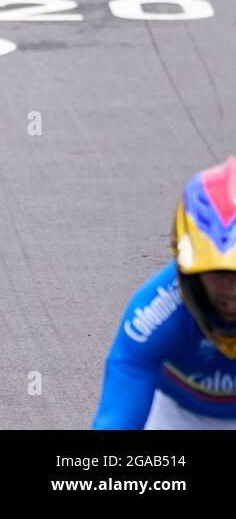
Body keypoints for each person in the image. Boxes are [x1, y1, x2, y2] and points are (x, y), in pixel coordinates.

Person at [92, 157, 236, 428]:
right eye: (218, 273)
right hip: (178, 418)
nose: (232, 291)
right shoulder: (153, 315)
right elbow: (116, 421)